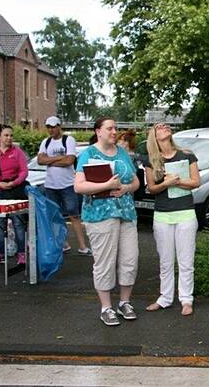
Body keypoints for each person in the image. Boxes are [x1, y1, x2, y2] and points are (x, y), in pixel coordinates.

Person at [74, 116, 140, 326]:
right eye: (110, 128)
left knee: (130, 259)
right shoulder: (88, 153)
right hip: (100, 215)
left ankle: (124, 303)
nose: (114, 132)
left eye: (115, 128)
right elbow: (78, 187)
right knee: (105, 262)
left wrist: (127, 188)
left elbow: (136, 180)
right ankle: (106, 307)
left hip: (126, 213)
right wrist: (105, 185)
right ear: (98, 131)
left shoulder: (122, 152)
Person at [143, 123, 200, 316]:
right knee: (165, 261)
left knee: (186, 261)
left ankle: (186, 299)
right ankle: (165, 298)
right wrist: (166, 183)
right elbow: (151, 188)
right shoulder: (151, 160)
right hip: (162, 215)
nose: (164, 127)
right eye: (159, 127)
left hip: (185, 213)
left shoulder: (187, 155)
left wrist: (177, 181)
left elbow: (195, 182)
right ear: (154, 136)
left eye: (166, 125)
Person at [37, 116, 90, 255]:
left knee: (74, 215)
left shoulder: (68, 140)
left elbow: (69, 161)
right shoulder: (46, 142)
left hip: (67, 184)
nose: (51, 129)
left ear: (59, 126)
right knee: (55, 215)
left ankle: (83, 246)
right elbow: (40, 160)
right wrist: (60, 157)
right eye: (48, 127)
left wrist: (50, 160)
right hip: (51, 185)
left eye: (53, 126)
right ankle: (63, 244)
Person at [0, 124, 28, 266]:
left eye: (11, 135)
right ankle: (0, 254)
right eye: (6, 135)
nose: (9, 138)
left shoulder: (18, 152)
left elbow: (24, 171)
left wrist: (14, 182)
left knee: (18, 222)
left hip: (15, 189)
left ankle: (21, 254)